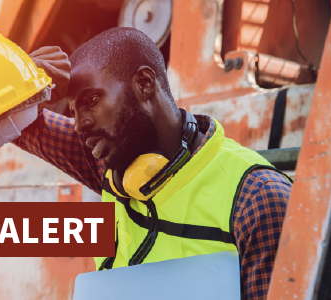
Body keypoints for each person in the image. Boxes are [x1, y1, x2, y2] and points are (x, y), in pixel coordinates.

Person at [17, 27, 292, 299]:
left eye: (91, 100)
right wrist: (22, 81)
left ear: (145, 84)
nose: (80, 125)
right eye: (74, 110)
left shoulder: (256, 199)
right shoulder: (110, 164)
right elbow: (10, 125)